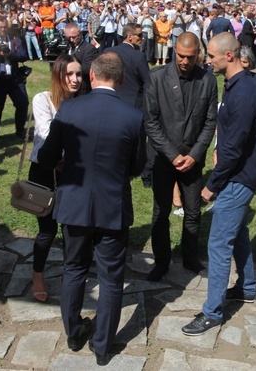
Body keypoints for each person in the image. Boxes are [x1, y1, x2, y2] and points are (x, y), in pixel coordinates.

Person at [38, 53, 144, 366]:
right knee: (111, 279)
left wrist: (63, 160)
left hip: (74, 204)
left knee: (74, 269)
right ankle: (102, 345)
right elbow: (137, 166)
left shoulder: (70, 109)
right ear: (122, 80)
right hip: (112, 205)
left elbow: (45, 156)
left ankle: (73, 333)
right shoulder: (132, 116)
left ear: (92, 76)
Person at [182, 33, 256, 336]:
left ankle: (212, 311)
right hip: (239, 175)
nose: (208, 61)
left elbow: (233, 150)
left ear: (229, 56)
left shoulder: (242, 93)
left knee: (218, 245)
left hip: (236, 179)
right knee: (238, 232)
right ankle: (249, 286)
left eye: (212, 57)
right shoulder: (245, 84)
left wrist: (211, 186)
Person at [144, 33, 218, 281]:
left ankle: (190, 258)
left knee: (193, 212)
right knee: (161, 212)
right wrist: (173, 155)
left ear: (199, 53)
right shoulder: (156, 78)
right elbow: (151, 123)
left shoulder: (208, 81)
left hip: (192, 161)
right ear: (174, 50)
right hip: (164, 159)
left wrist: (195, 155)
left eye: (190, 57)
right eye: (180, 55)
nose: (184, 61)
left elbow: (210, 123)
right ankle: (161, 261)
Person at [29, 54, 83, 302]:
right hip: (45, 171)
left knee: (71, 227)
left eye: (79, 74)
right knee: (47, 230)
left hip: (72, 170)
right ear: (58, 76)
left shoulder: (84, 101)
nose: (75, 79)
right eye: (69, 74)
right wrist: (62, 156)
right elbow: (45, 131)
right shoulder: (42, 99)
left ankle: (68, 272)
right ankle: (38, 274)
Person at [0, 15, 29, 141]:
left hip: (14, 78)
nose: (2, 30)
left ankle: (20, 130)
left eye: (4, 27)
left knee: (22, 103)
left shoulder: (14, 39)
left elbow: (24, 56)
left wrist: (10, 54)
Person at [106, 24, 149, 110]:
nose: (142, 38)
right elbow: (148, 82)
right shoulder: (139, 56)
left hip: (109, 101)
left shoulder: (107, 52)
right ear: (130, 36)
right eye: (140, 35)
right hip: (132, 104)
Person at [65, 22, 99, 94]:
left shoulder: (89, 49)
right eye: (69, 37)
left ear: (80, 34)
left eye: (74, 37)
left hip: (81, 89)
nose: (71, 40)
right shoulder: (67, 46)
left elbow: (87, 69)